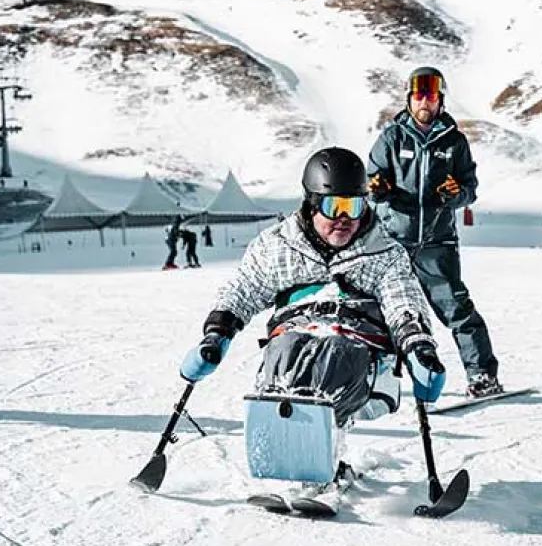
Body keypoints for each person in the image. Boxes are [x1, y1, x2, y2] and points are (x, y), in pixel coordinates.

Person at [178, 146, 445, 437]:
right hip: (296, 332)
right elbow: (245, 288)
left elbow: (402, 300)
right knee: (286, 347)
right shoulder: (278, 245)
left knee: (337, 352)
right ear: (312, 204)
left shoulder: (384, 252)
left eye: (353, 206)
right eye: (335, 207)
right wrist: (217, 333)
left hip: (360, 349)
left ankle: (313, 435)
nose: (345, 218)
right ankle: (282, 428)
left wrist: (418, 347)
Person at [366, 66, 502, 399]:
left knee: (457, 310)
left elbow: (470, 189)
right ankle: (372, 381)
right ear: (409, 99)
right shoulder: (391, 137)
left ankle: (482, 376)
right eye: (418, 94)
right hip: (393, 242)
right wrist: (378, 188)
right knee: (375, 311)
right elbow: (370, 182)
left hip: (437, 244)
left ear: (440, 99)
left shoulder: (454, 142)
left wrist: (456, 194)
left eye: (430, 94)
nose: (424, 100)